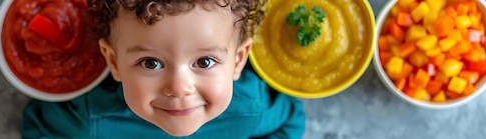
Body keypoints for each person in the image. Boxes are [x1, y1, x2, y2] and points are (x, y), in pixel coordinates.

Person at [21, 0, 305, 138]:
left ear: (238, 60)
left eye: (204, 62)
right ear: (113, 61)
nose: (179, 87)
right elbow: (38, 126)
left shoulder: (251, 109)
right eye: (151, 63)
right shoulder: (94, 117)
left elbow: (291, 120)